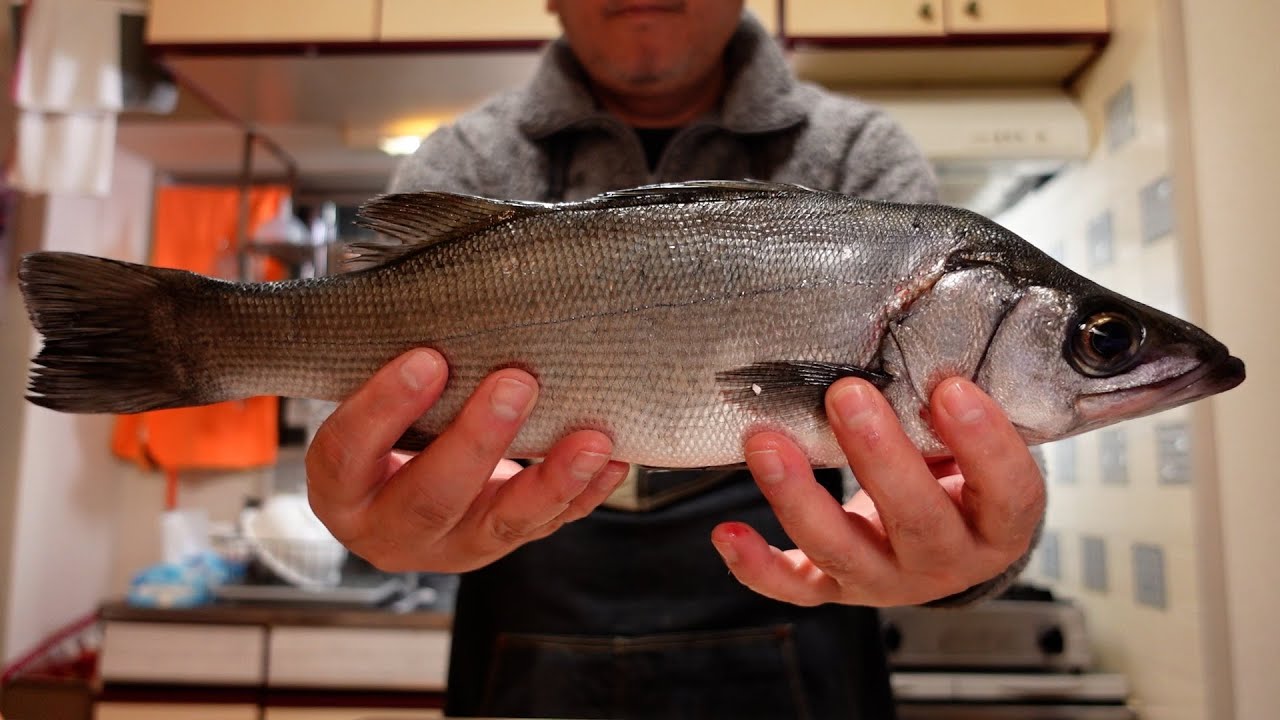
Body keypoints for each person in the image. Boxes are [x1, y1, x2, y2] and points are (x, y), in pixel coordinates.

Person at [305, 2, 1047, 717]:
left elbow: (963, 409)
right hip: (525, 645)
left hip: (798, 628)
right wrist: (368, 501)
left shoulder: (859, 151)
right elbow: (362, 393)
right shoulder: (464, 157)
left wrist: (975, 538)